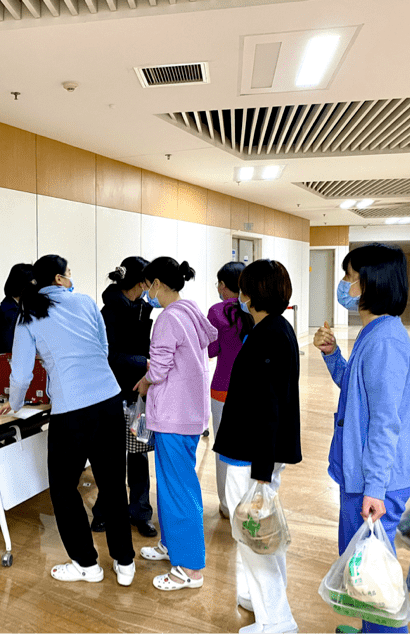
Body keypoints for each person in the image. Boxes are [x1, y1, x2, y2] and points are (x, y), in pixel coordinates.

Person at [0, 255, 136, 586]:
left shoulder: (28, 316)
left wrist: (13, 405)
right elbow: (103, 349)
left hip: (71, 410)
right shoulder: (87, 302)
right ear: (59, 279)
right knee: (113, 483)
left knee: (63, 488)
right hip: (108, 399)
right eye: (69, 273)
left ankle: (87, 564)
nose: (72, 278)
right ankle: (125, 562)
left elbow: (20, 374)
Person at [314, 244, 410, 634]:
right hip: (366, 474)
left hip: (377, 480)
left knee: (374, 573)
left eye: (348, 276)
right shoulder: (374, 332)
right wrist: (333, 356)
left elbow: (385, 423)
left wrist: (375, 486)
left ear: (368, 282)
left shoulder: (385, 340)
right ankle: (371, 629)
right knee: (364, 564)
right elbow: (357, 394)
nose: (344, 285)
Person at [214, 259, 301, 634]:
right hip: (257, 453)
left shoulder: (268, 336)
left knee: (255, 536)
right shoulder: (274, 328)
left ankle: (277, 621)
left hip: (251, 457)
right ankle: (254, 598)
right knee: (258, 532)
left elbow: (268, 406)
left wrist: (261, 474)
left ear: (251, 294)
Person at [135, 257, 217, 591]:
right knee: (171, 487)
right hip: (190, 413)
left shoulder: (167, 319)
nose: (146, 293)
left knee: (179, 490)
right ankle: (171, 546)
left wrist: (144, 380)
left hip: (173, 416)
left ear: (156, 283)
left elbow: (159, 369)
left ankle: (190, 569)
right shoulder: (191, 310)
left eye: (146, 286)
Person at [91, 257, 158, 538]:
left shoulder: (143, 308)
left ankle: (140, 512)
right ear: (139, 283)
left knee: (139, 454)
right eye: (148, 282)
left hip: (141, 392)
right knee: (112, 457)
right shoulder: (109, 312)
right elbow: (109, 356)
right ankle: (104, 511)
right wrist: (143, 361)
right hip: (113, 392)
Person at [207, 262, 253, 520]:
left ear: (224, 285)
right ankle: (247, 499)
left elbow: (211, 350)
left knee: (224, 448)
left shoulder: (217, 311)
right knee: (248, 447)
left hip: (224, 388)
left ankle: (227, 504)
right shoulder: (257, 307)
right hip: (252, 390)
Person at [0, 263, 34, 354]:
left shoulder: (25, 308)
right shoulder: (4, 313)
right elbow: (8, 349)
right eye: (33, 283)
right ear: (23, 285)